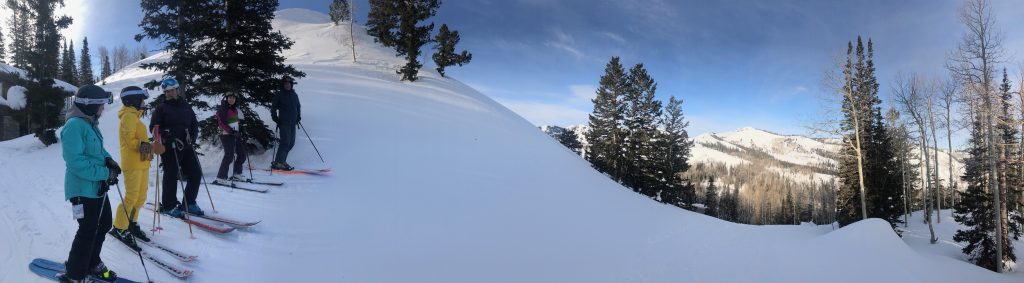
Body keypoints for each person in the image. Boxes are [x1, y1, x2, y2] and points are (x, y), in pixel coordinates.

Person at [60, 85, 120, 282]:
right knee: (88, 230)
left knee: (103, 225)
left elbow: (97, 152)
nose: (103, 109)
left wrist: (110, 161)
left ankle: (92, 262)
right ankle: (75, 274)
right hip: (81, 190)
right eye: (101, 105)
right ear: (90, 106)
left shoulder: (89, 124)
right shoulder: (74, 125)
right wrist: (105, 173)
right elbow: (75, 162)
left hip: (96, 188)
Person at [149, 78, 204, 218]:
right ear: (165, 93)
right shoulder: (161, 108)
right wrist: (164, 134)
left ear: (177, 90)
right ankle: (169, 205)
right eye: (168, 91)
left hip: (186, 144)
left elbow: (194, 124)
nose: (171, 93)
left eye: (173, 90)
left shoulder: (185, 106)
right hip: (170, 146)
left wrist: (193, 136)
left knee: (196, 172)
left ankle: (189, 202)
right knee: (171, 175)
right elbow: (154, 129)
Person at [109, 86, 153, 251]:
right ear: (133, 101)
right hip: (133, 164)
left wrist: (150, 146)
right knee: (131, 197)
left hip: (142, 163)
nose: (143, 102)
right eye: (142, 99)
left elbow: (139, 139)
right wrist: (148, 146)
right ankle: (119, 227)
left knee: (141, 197)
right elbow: (131, 141)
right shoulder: (128, 116)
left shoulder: (135, 117)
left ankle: (131, 223)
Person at [213, 91, 249, 185]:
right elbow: (222, 123)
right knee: (229, 155)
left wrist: (243, 131)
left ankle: (237, 174)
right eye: (229, 97)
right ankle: (221, 177)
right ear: (226, 98)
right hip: (225, 134)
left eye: (233, 98)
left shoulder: (235, 109)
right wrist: (231, 131)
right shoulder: (223, 108)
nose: (231, 99)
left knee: (242, 154)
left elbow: (238, 122)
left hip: (235, 133)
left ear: (235, 99)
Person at [271, 76, 300, 171]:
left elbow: (298, 106)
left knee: (291, 143)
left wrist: (298, 117)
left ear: (291, 85)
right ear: (283, 85)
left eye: (289, 84)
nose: (287, 85)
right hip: (284, 123)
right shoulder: (279, 94)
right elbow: (273, 108)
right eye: (285, 84)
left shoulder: (294, 95)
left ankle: (281, 161)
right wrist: (275, 118)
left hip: (293, 123)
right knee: (285, 142)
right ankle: (279, 163)